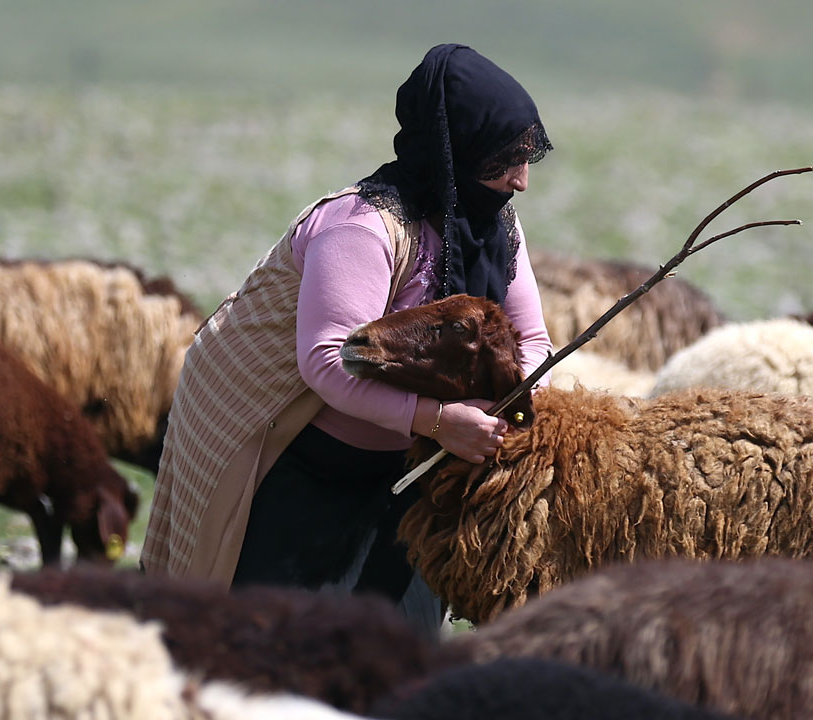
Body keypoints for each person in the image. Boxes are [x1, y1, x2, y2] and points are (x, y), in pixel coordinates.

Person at [140, 44, 555, 632]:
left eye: (526, 156)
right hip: (301, 464)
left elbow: (530, 337)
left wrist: (499, 403)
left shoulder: (492, 224)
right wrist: (438, 420)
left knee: (399, 654)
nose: (522, 179)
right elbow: (330, 362)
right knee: (276, 652)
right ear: (456, 149)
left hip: (409, 468)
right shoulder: (362, 227)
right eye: (505, 157)